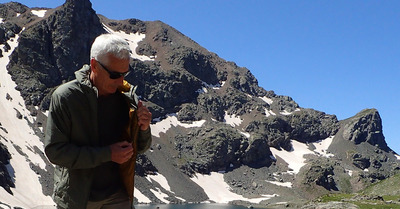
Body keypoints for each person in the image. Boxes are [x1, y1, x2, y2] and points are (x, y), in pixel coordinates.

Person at [44, 33, 152, 209]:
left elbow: (140, 147)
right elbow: (55, 152)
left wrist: (144, 128)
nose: (121, 81)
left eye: (125, 74)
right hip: (77, 199)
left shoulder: (127, 98)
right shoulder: (67, 97)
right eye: (115, 74)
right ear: (94, 65)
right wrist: (107, 154)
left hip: (118, 195)